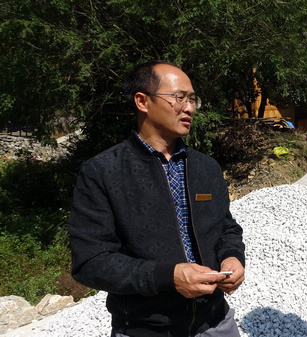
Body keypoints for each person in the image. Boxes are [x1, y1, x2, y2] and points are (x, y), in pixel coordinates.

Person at [68, 60, 245, 337]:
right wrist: (169, 276)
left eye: (193, 99)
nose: (189, 108)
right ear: (142, 101)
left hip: (216, 323)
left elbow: (226, 228)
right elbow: (90, 262)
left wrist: (233, 257)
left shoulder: (205, 167)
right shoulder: (103, 172)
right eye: (179, 98)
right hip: (146, 328)